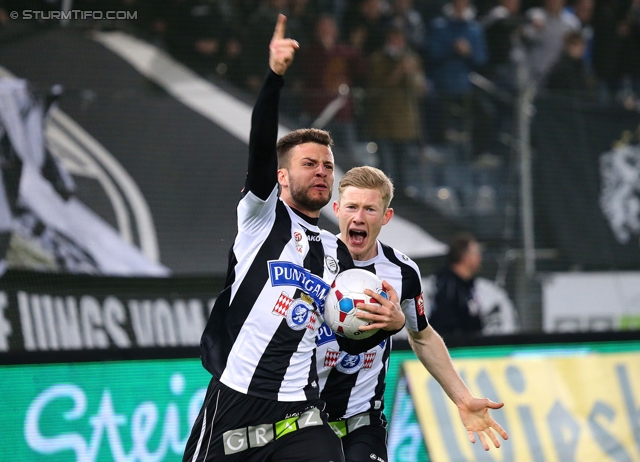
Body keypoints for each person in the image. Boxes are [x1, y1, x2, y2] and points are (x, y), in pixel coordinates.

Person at [182, 15, 405, 462]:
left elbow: (346, 336)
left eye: (327, 164)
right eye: (310, 164)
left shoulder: (336, 250)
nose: (322, 171)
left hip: (300, 416)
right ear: (281, 177)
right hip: (235, 401)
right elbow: (262, 143)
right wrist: (275, 78)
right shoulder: (261, 217)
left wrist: (391, 326)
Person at [317, 167, 509, 462]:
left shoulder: (403, 272)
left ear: (386, 217)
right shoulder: (310, 257)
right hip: (307, 418)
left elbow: (422, 337)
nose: (358, 217)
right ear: (336, 209)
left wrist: (463, 398)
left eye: (370, 209)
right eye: (352, 207)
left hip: (363, 421)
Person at [428, 232, 484, 337]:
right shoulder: (448, 286)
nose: (480, 258)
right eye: (476, 254)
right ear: (465, 257)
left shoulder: (468, 285)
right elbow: (444, 323)